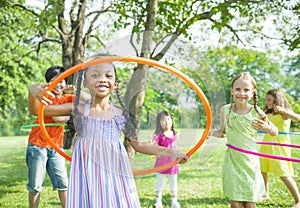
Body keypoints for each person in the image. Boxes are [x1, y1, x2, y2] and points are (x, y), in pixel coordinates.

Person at [29, 62, 189, 208]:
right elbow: (36, 111)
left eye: (108, 75)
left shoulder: (120, 113)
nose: (102, 79)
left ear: (115, 84)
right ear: (84, 83)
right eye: (95, 75)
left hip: (114, 173)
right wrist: (32, 91)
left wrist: (174, 153)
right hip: (87, 173)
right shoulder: (78, 108)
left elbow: (139, 145)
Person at [209, 72, 278, 208]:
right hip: (233, 160)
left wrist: (267, 127)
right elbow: (223, 133)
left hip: (250, 161)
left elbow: (275, 131)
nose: (242, 93)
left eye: (246, 90)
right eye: (238, 89)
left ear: (253, 92)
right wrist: (210, 133)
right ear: (232, 91)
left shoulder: (256, 112)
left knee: (250, 201)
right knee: (235, 202)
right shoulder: (225, 110)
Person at [27, 66, 75, 208]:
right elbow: (57, 118)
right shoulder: (46, 97)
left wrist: (76, 91)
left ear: (66, 83)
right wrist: (72, 117)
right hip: (38, 145)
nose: (58, 84)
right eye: (54, 81)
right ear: (48, 83)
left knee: (63, 184)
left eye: (62, 81)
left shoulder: (68, 98)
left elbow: (88, 101)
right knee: (35, 186)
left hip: (56, 146)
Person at [259, 89, 300, 208]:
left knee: (283, 173)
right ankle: (265, 193)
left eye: (269, 100)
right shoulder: (267, 113)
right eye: (266, 100)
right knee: (263, 170)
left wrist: (284, 111)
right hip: (266, 144)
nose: (267, 103)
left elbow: (298, 118)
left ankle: (298, 200)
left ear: (277, 100)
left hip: (279, 146)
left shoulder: (285, 113)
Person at [153, 111, 180, 208]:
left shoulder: (174, 134)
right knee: (160, 184)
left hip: (172, 164)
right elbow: (154, 147)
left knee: (173, 184)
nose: (166, 122)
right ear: (159, 123)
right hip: (161, 165)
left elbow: (175, 147)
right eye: (163, 120)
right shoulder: (158, 135)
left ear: (172, 121)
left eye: (168, 119)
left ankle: (174, 202)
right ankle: (158, 202)